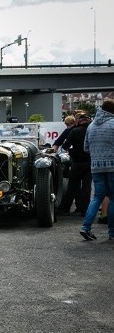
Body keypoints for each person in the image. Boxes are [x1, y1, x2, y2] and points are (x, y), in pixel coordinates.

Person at [80, 99, 114, 241]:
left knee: (97, 197)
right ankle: (112, 232)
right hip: (112, 166)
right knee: (113, 198)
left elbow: (86, 148)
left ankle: (85, 227)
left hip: (96, 167)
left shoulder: (91, 125)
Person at [59, 112, 92, 216]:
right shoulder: (91, 131)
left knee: (72, 185)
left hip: (77, 162)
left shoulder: (74, 131)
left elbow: (65, 146)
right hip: (90, 162)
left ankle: (66, 208)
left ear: (79, 122)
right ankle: (84, 210)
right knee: (87, 187)